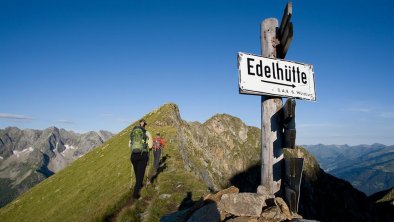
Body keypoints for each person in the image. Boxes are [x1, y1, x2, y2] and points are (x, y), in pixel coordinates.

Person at [129, 119, 152, 199]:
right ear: (145, 125)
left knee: (137, 173)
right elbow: (150, 146)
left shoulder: (133, 132)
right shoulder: (147, 132)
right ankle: (136, 194)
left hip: (133, 155)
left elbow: (129, 145)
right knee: (140, 175)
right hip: (142, 155)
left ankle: (139, 184)